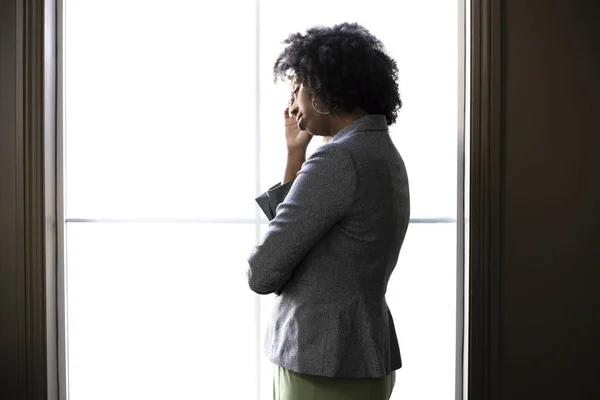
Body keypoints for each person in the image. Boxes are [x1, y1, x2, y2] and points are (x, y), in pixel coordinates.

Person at [247, 22, 410, 400]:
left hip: (320, 364)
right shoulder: (380, 152)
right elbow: (304, 233)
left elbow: (264, 270)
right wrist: (295, 154)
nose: (292, 105)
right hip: (361, 358)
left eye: (296, 88)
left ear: (321, 92)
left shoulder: (338, 160)